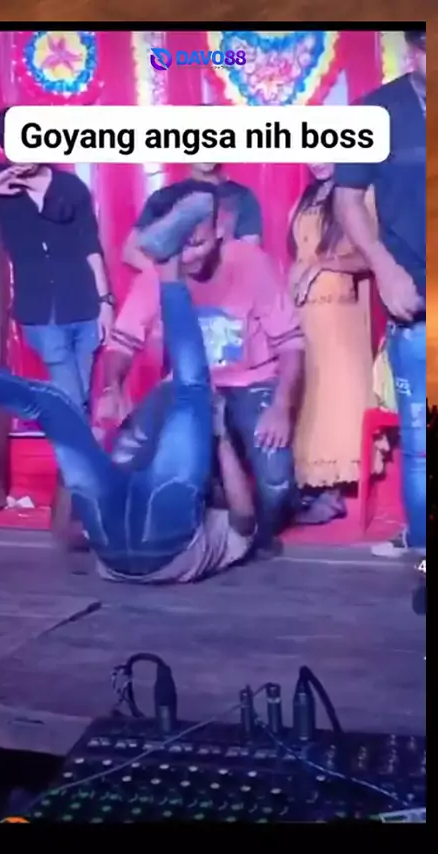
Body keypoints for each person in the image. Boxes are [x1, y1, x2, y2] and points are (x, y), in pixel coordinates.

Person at [0, 193, 259, 584]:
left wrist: (77, 465)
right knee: (55, 406)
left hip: (156, 545)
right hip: (124, 546)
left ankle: (168, 266)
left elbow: (67, 536)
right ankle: (168, 263)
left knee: (191, 389)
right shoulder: (177, 497)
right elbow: (243, 519)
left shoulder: (195, 504)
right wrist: (220, 437)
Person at [100, 185, 304, 556]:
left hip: (251, 382)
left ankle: (248, 534)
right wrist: (112, 387)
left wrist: (281, 406)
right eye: (180, 245)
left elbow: (290, 343)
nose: (188, 256)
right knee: (121, 456)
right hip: (185, 385)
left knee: (276, 484)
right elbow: (123, 343)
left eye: (197, 243)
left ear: (219, 228)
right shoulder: (161, 271)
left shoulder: (250, 262)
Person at [334, 29, 426, 558]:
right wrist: (384, 269)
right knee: (421, 444)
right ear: (414, 52)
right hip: (414, 299)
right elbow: (347, 200)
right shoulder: (373, 112)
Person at [0, 106, 114, 414]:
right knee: (70, 399)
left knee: (79, 397)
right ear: (4, 148)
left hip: (85, 307)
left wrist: (105, 303)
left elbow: (91, 247)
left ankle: (74, 445)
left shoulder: (70, 188)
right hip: (39, 312)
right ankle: (78, 445)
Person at [287, 163, 381, 524]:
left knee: (335, 400)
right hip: (302, 314)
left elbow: (370, 256)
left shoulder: (360, 195)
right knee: (306, 399)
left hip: (338, 317)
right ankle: (306, 489)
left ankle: (331, 492)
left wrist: (323, 264)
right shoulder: (306, 198)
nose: (317, 160)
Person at [122, 162, 263, 272]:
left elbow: (249, 252)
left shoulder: (242, 196)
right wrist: (167, 276)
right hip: (169, 291)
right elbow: (130, 252)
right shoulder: (163, 197)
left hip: (222, 293)